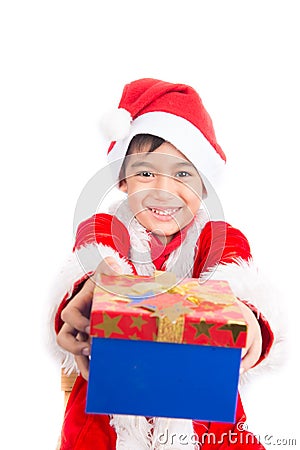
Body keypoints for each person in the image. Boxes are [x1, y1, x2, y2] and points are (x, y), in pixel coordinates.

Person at [51, 78, 283, 449]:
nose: (162, 189)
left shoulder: (214, 238)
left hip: (204, 414)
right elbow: (95, 247)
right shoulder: (110, 228)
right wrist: (97, 281)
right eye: (145, 172)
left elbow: (238, 269)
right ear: (123, 181)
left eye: (183, 174)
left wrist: (250, 317)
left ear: (204, 186)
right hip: (109, 415)